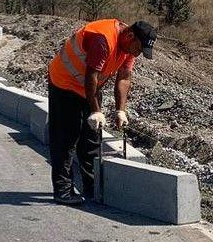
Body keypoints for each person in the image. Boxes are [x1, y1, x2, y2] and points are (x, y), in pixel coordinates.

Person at [47, 18, 158, 205]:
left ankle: (92, 188)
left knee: (91, 139)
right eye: (138, 49)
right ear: (130, 36)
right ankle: (62, 191)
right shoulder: (103, 39)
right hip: (64, 84)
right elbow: (91, 75)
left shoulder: (129, 46)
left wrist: (120, 110)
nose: (137, 54)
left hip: (90, 87)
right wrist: (95, 111)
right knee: (66, 138)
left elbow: (124, 77)